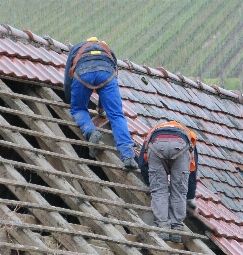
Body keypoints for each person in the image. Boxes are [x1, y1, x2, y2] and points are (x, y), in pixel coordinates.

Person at [64, 37, 138, 169]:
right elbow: (109, 79)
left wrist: (70, 100)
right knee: (116, 115)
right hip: (107, 75)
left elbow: (67, 80)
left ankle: (91, 132)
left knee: (79, 109)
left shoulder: (76, 48)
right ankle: (128, 156)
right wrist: (101, 109)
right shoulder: (107, 50)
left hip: (82, 73)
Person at [138, 120, 198, 243]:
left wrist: (149, 183)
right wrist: (190, 196)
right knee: (179, 191)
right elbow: (192, 168)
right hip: (181, 146)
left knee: (159, 191)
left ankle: (163, 228)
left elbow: (142, 162)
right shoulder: (189, 135)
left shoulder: (152, 132)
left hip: (156, 146)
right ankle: (176, 229)